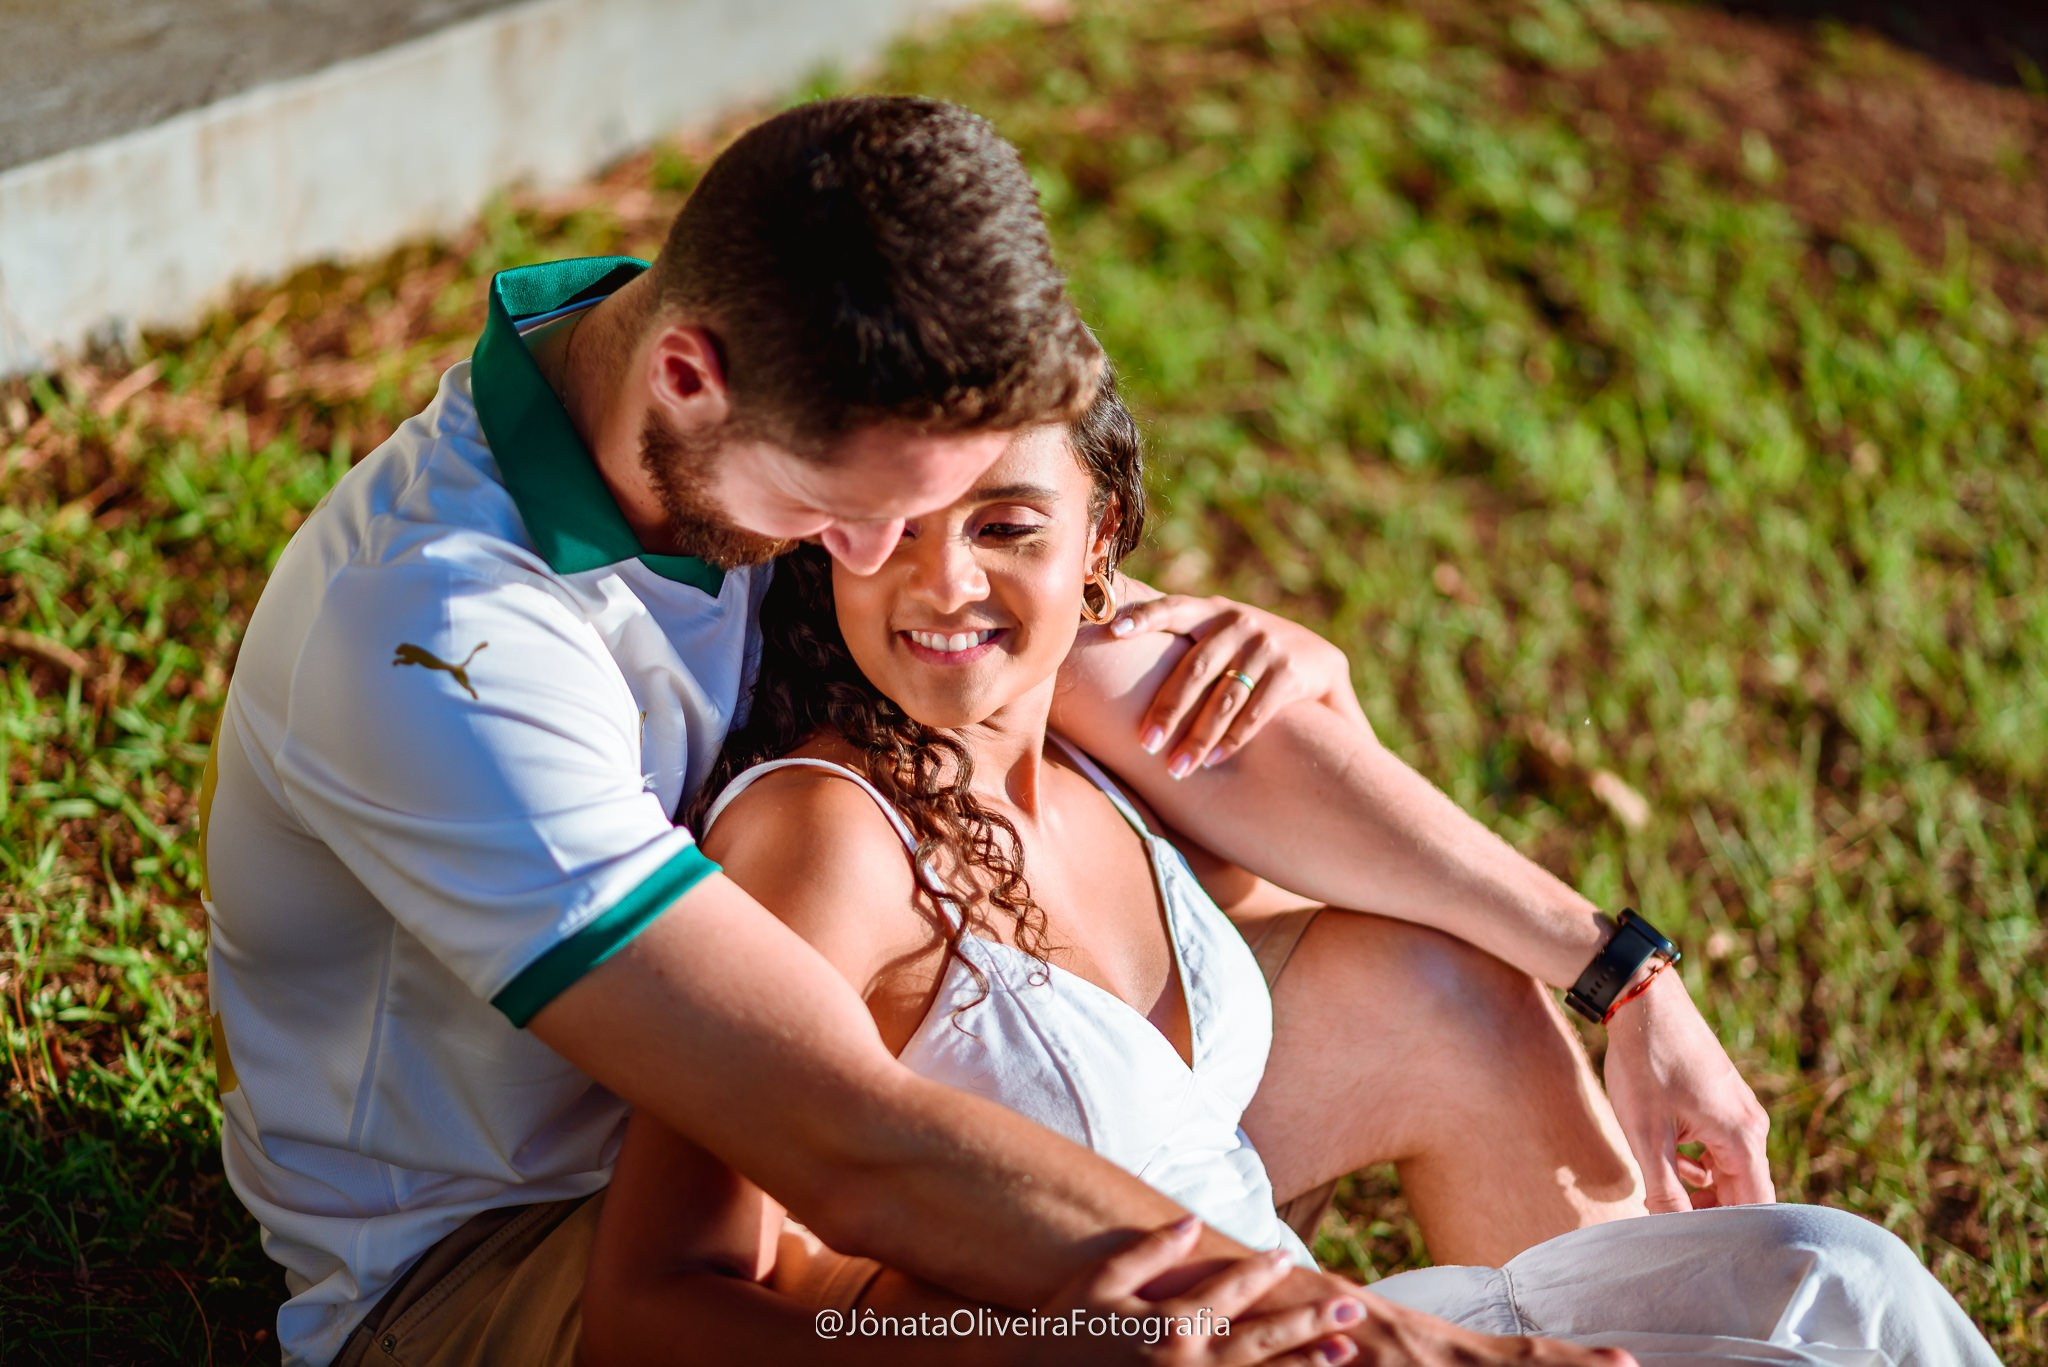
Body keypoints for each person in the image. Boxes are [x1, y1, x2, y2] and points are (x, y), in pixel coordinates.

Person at [202, 94, 1772, 1367]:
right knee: (1074, 1332)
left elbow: (1097, 665)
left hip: (826, 1098)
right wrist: (1340, 1332)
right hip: (513, 1254)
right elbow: (839, 1134)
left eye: (963, 515)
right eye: (854, 523)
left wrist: (1617, 969)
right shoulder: (441, 639)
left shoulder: (769, 414)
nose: (898, 570)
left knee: (1441, 989)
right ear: (689, 377)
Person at [582, 375, 2000, 1366]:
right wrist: (1059, 1342)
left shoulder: (1093, 766)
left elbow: (1359, 964)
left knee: (1843, 1282)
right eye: (887, 525)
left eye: (1007, 523)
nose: (940, 585)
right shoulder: (824, 835)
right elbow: (670, 1315)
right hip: (1192, 1354)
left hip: (1342, 1332)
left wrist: (1328, 692)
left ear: (1102, 549)